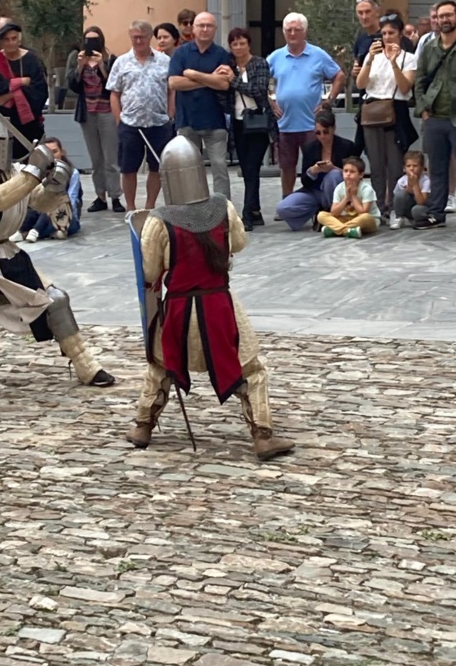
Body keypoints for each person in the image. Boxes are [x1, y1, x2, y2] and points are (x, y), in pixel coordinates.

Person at [125, 136, 294, 461]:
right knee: (252, 369)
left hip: (177, 310)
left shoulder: (158, 221)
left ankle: (143, 426)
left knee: (161, 365)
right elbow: (240, 244)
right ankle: (261, 435)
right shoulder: (223, 207)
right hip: (219, 308)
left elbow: (148, 272)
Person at [0, 116, 114, 391]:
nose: (0, 148)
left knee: (55, 301)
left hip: (5, 252)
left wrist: (55, 182)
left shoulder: (15, 171)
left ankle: (86, 364)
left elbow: (40, 202)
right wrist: (34, 171)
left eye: (4, 142)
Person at [267, 13, 345, 199]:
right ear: (284, 32)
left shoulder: (317, 54)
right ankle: (287, 200)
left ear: (305, 31)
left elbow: (339, 76)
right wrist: (270, 101)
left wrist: (329, 101)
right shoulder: (276, 57)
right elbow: (260, 78)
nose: (292, 33)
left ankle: (320, 200)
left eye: (297, 29)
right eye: (289, 30)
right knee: (286, 166)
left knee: (316, 165)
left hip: (312, 124)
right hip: (285, 123)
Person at [106, 20, 174, 212]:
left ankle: (150, 205)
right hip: (130, 124)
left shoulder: (165, 61)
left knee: (157, 168)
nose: (138, 41)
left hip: (159, 123)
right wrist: (119, 120)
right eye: (134, 37)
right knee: (128, 168)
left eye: (141, 37)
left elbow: (172, 90)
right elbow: (114, 93)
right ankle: (130, 207)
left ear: (149, 37)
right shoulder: (121, 62)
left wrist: (170, 114)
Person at [355, 12, 417, 219]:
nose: (387, 37)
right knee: (376, 163)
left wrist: (393, 62)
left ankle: (394, 208)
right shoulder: (372, 57)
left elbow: (405, 86)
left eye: (392, 32)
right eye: (384, 33)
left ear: (400, 34)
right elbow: (360, 84)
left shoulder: (409, 58)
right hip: (372, 112)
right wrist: (370, 58)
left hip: (395, 111)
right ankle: (379, 207)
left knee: (394, 163)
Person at [169, 12, 233, 199]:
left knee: (220, 167)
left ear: (215, 29)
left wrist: (193, 74)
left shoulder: (221, 54)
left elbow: (223, 84)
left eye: (209, 26)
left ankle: (223, 210)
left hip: (215, 121)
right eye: (201, 25)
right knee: (190, 170)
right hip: (187, 120)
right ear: (194, 29)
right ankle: (194, 208)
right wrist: (210, 78)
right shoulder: (181, 53)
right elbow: (174, 83)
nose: (205, 29)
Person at [414, 0, 456, 230]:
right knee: (437, 168)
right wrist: (423, 109)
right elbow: (420, 81)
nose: (445, 19)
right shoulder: (429, 49)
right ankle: (436, 214)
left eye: (449, 15)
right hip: (434, 118)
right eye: (441, 16)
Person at [223, 26, 277, 230]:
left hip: (258, 122)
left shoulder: (260, 64)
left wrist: (234, 81)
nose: (238, 47)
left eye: (242, 43)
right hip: (237, 122)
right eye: (234, 43)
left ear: (249, 44)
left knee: (252, 167)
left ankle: (247, 214)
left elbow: (258, 90)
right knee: (246, 168)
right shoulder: (228, 65)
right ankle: (255, 210)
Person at [66, 26, 123, 213]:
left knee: (111, 158)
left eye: (95, 40)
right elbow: (73, 86)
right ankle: (100, 196)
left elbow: (113, 86)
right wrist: (81, 66)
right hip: (87, 113)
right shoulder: (76, 59)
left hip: (106, 111)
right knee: (96, 158)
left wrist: (101, 67)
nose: (91, 43)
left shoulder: (111, 60)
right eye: (88, 40)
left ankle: (115, 196)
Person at [275, 106, 354, 231]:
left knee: (333, 175)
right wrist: (313, 171)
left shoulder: (346, 146)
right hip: (314, 191)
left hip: (338, 192)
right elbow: (305, 181)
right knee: (283, 208)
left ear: (333, 129)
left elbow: (354, 175)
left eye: (325, 132)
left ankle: (330, 212)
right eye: (318, 133)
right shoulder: (310, 148)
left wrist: (334, 168)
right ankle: (318, 211)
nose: (322, 136)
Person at [0, 22, 47, 160]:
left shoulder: (32, 59)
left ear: (19, 39)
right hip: (4, 122)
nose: (11, 43)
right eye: (6, 40)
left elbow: (40, 90)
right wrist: (21, 82)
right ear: (0, 42)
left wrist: (9, 93)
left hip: (29, 121)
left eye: (14, 38)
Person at [14, 136, 82, 242]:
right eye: (48, 153)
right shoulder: (38, 172)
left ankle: (34, 231)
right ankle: (47, 231)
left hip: (66, 216)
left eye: (55, 152)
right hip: (41, 213)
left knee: (54, 201)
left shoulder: (73, 173)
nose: (52, 156)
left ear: (62, 152)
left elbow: (72, 200)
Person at [317, 156, 380, 238]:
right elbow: (334, 212)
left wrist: (353, 196)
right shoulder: (339, 188)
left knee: (366, 217)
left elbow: (363, 212)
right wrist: (347, 197)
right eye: (345, 171)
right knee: (321, 215)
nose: (348, 174)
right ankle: (348, 231)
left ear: (361, 175)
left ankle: (336, 230)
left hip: (365, 221)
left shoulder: (366, 189)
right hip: (346, 218)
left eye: (352, 172)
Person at [391, 150, 431, 229]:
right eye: (408, 166)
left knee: (417, 210)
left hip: (421, 207)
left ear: (422, 168)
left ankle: (419, 220)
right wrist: (409, 184)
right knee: (400, 194)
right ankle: (399, 218)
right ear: (404, 168)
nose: (411, 169)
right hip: (408, 207)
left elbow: (421, 202)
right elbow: (397, 199)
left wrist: (415, 184)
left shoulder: (426, 181)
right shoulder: (402, 181)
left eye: (415, 166)